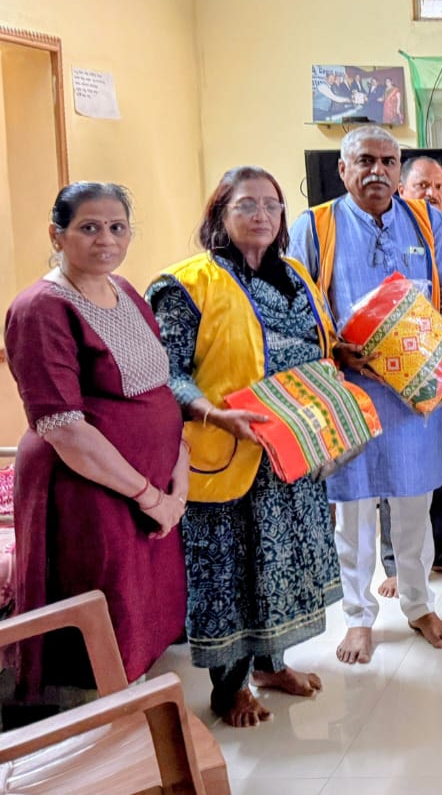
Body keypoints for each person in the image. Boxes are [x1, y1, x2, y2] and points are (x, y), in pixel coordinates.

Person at [148, 167, 340, 727]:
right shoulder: (187, 284)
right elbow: (167, 373)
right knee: (230, 573)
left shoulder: (297, 277)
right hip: (227, 454)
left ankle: (271, 665)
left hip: (291, 454)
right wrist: (215, 414)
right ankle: (228, 688)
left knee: (280, 566)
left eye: (272, 206)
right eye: (246, 205)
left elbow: (318, 345)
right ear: (219, 215)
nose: (261, 215)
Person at [289, 126, 442, 665]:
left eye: (388, 162)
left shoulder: (426, 221)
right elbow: (302, 303)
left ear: (400, 171)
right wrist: (333, 350)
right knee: (352, 515)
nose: (378, 171)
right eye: (364, 161)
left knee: (414, 507)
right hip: (350, 392)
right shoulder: (317, 224)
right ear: (344, 170)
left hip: (416, 397)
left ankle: (418, 605)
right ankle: (358, 617)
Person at [4, 183, 187, 703]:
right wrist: (149, 496)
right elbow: (63, 427)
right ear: (56, 234)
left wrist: (178, 470)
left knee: (142, 608)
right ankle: (100, 736)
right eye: (88, 227)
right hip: (89, 491)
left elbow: (158, 387)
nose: (105, 239)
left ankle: (141, 713)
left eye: (116, 227)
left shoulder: (124, 290)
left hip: (151, 489)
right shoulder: (40, 308)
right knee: (103, 611)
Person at [373, 154, 442, 601]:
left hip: (441, 373)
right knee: (395, 475)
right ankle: (393, 563)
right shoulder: (384, 233)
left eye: (439, 187)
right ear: (400, 189)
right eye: (421, 186)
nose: (431, 194)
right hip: (386, 375)